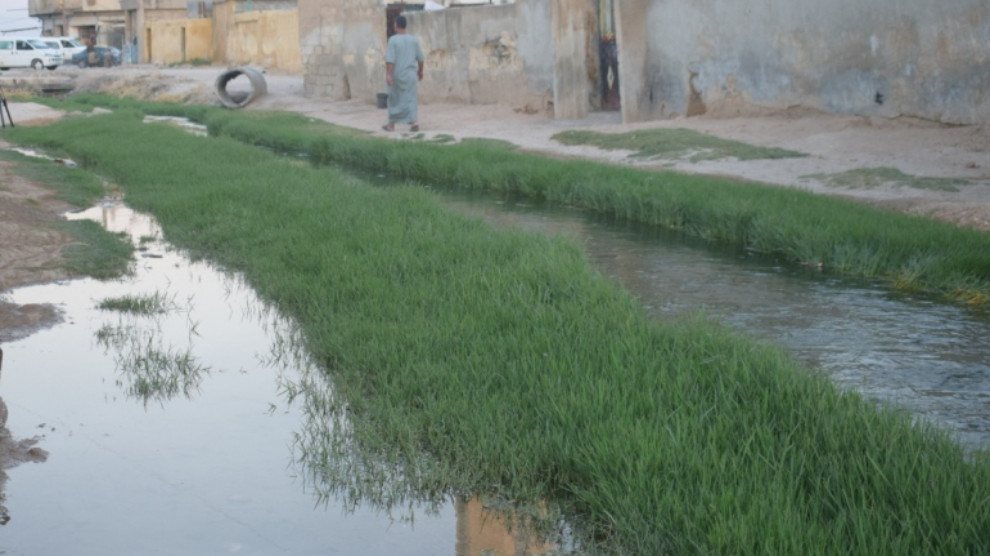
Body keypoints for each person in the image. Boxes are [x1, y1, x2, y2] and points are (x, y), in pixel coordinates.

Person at [383, 15, 425, 132]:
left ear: (396, 25)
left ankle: (391, 125)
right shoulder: (414, 40)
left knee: (394, 99)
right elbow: (420, 59)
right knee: (411, 98)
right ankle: (414, 122)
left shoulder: (393, 40)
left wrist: (388, 74)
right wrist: (420, 71)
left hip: (397, 75)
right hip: (411, 75)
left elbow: (390, 60)